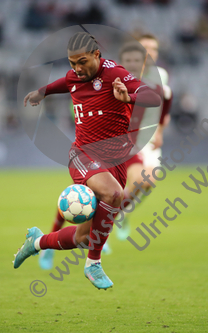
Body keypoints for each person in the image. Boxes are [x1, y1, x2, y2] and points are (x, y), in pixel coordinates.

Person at [13, 32, 161, 290]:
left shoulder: (115, 74)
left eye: (82, 62)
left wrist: (129, 98)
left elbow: (153, 97)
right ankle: (93, 264)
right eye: (72, 64)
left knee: (84, 237)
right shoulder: (75, 76)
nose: (77, 69)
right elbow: (65, 82)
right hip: (83, 155)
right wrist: (42, 92)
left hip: (116, 160)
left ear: (96, 55)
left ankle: (37, 242)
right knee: (115, 194)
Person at [116, 33, 173, 240]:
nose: (151, 52)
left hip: (149, 138)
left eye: (154, 48)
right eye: (146, 47)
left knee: (148, 181)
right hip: (127, 138)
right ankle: (112, 215)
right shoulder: (123, 75)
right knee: (141, 178)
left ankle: (118, 213)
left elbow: (166, 99)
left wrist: (160, 131)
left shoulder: (161, 75)